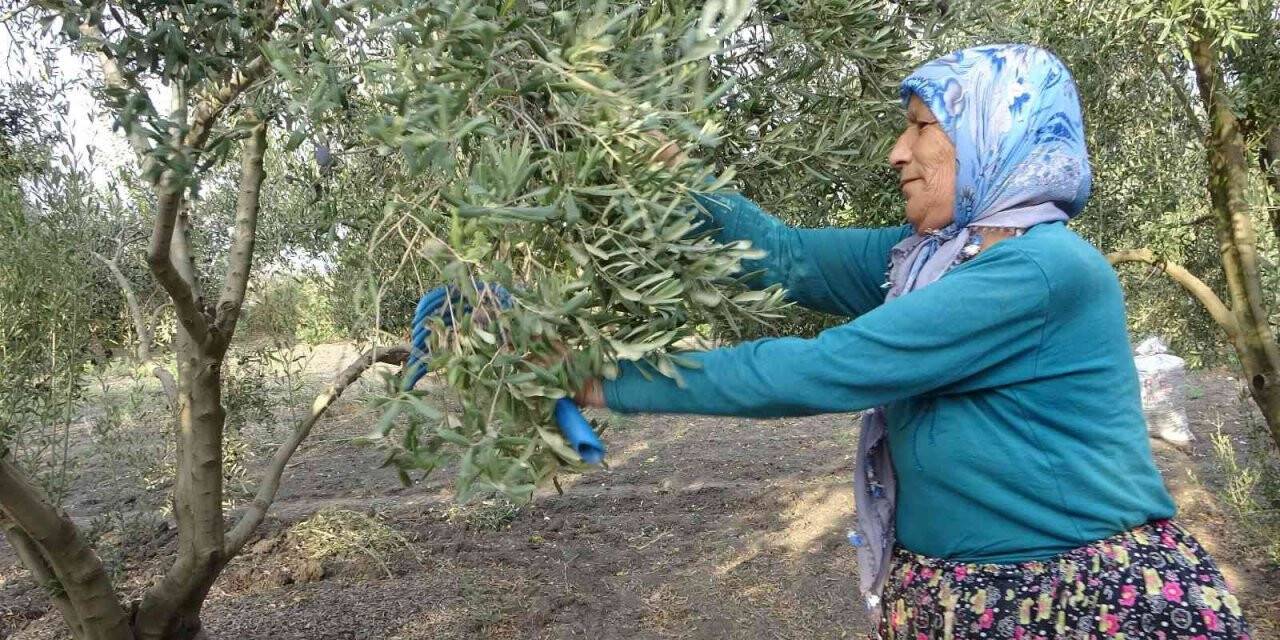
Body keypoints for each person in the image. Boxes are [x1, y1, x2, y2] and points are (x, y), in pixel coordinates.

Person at [575, 44, 1253, 639]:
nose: (898, 151)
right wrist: (674, 177)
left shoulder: (1042, 271)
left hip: (1073, 603)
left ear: (994, 132)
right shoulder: (928, 259)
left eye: (923, 126)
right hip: (966, 598)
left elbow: (825, 368)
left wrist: (606, 377)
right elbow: (783, 257)